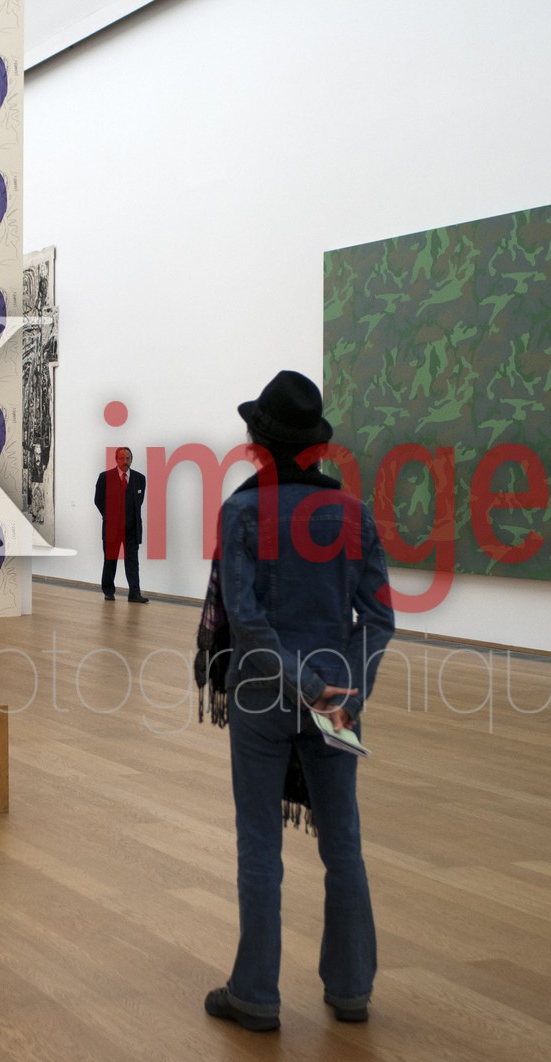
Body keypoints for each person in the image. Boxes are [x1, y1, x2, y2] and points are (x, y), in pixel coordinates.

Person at [196, 371, 395, 1032]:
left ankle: (255, 995)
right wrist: (345, 689)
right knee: (344, 844)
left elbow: (247, 622)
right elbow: (379, 619)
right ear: (314, 446)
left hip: (260, 694)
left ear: (259, 443)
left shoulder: (242, 512)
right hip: (338, 695)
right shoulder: (354, 514)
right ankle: (351, 989)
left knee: (260, 845)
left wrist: (300, 684)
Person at [94, 446, 147, 602]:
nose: (125, 461)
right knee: (110, 561)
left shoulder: (140, 479)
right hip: (112, 528)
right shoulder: (105, 477)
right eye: (122, 458)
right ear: (116, 459)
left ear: (132, 459)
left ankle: (134, 594)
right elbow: (98, 500)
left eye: (128, 458)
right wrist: (109, 516)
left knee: (133, 562)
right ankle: (108, 591)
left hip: (132, 528)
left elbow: (139, 502)